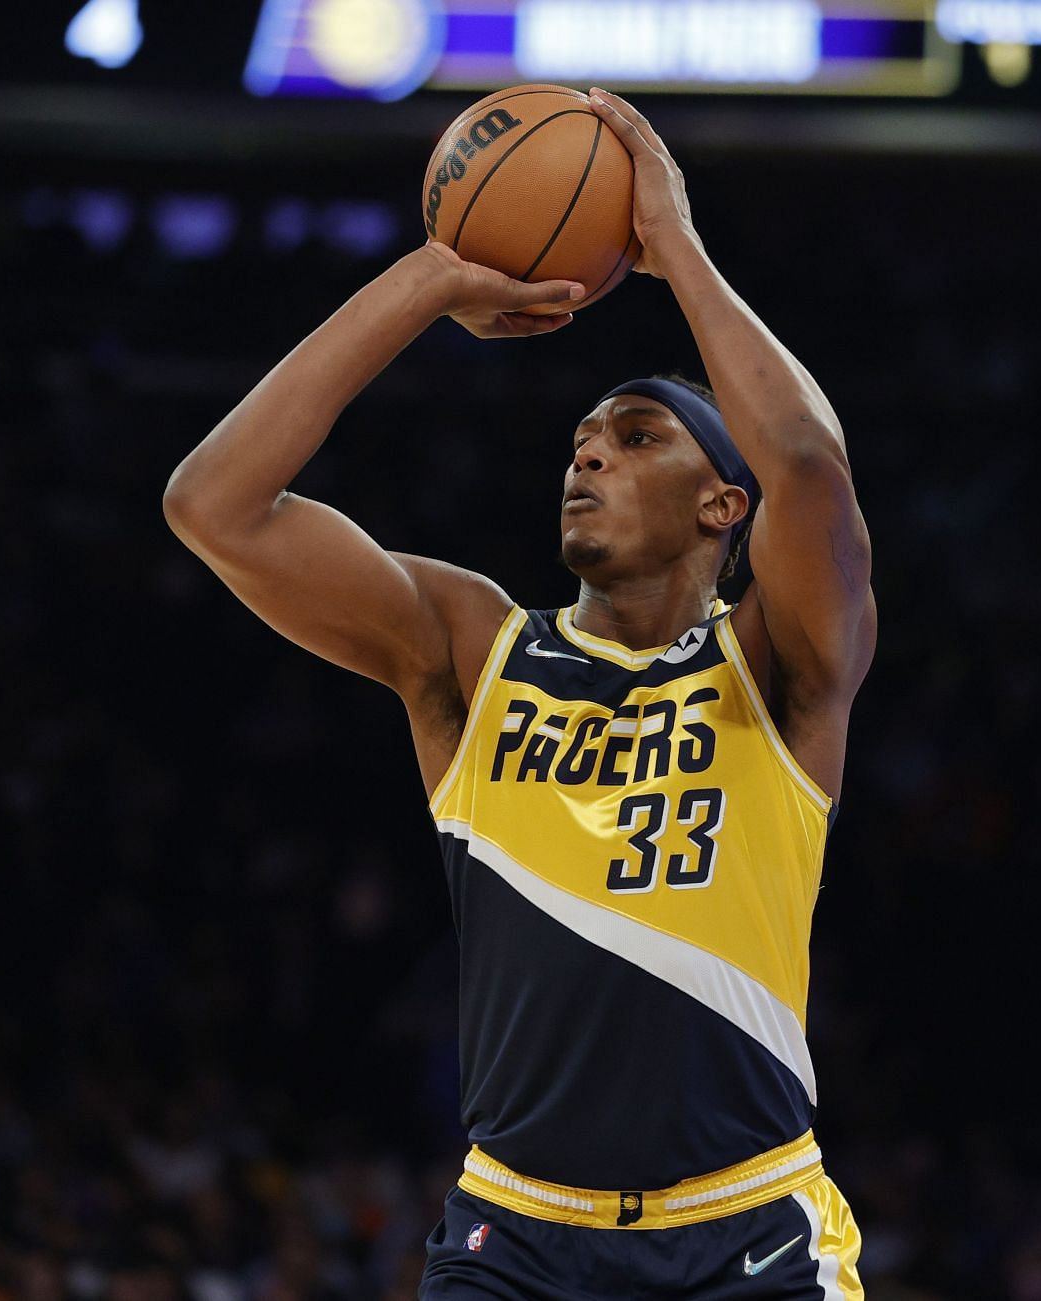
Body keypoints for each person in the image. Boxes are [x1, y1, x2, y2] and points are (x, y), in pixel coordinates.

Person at [163, 89, 876, 1300]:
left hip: (749, 1228)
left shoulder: (777, 664)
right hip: (519, 1239)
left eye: (639, 435)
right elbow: (212, 505)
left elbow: (806, 461)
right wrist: (427, 283)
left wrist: (677, 251)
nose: (589, 450)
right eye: (585, 436)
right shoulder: (473, 650)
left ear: (723, 506)